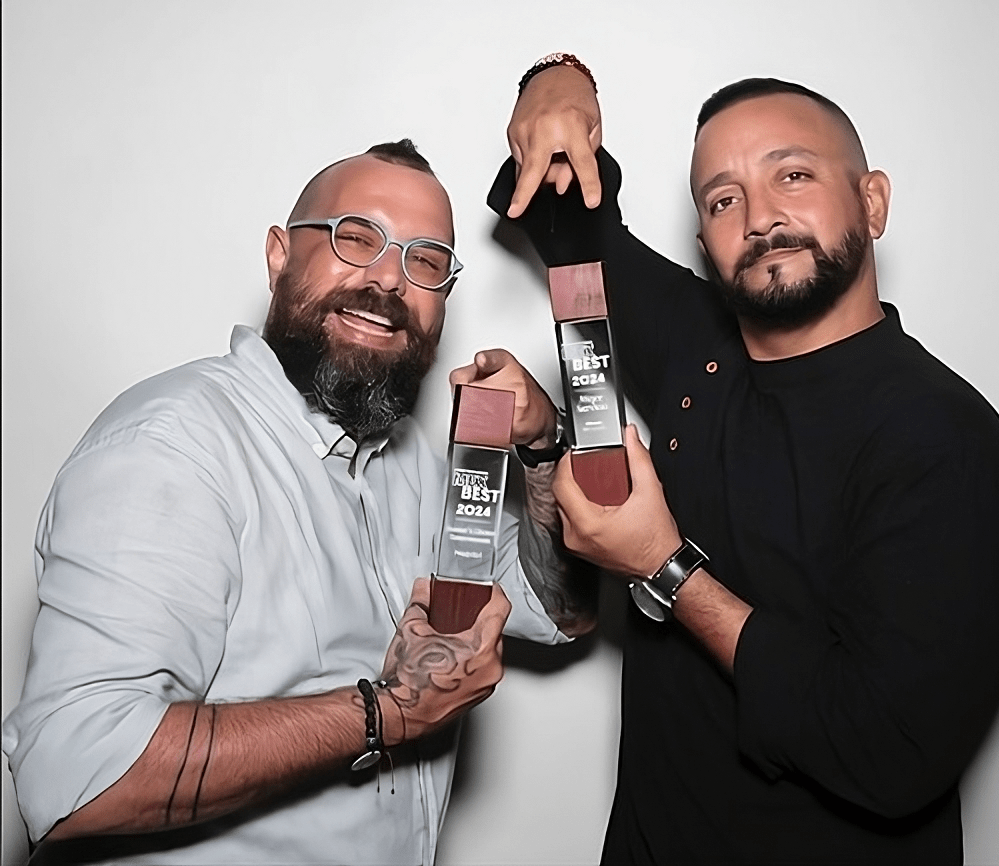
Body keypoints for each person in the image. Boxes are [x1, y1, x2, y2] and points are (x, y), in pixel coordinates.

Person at [3, 139, 592, 865]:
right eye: (356, 238)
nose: (389, 279)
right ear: (279, 256)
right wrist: (388, 712)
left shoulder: (405, 456)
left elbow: (560, 610)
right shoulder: (173, 447)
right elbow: (73, 779)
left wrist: (542, 448)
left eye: (426, 261)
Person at [489, 58, 999, 865]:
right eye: (723, 199)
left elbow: (892, 755)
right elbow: (564, 207)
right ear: (706, 243)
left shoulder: (946, 437)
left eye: (792, 175)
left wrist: (664, 566)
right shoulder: (698, 345)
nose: (761, 216)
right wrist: (560, 80)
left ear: (872, 201)